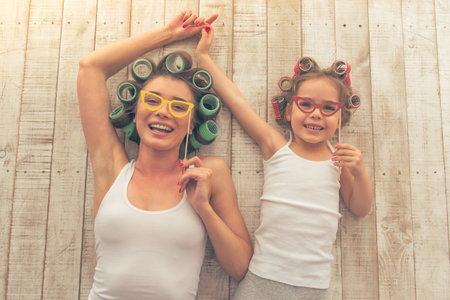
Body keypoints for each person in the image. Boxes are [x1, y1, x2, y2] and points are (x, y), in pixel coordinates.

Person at [77, 10, 252, 300]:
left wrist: (204, 209)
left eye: (179, 106)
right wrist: (168, 35)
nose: (163, 111)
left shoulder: (210, 173)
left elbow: (239, 267)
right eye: (153, 100)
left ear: (192, 123)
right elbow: (90, 68)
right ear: (135, 112)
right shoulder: (111, 167)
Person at [195, 26, 373, 299]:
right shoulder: (276, 145)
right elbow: (236, 100)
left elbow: (360, 208)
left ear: (340, 118)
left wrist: (359, 172)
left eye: (328, 108)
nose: (316, 114)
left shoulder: (339, 159)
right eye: (306, 105)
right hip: (264, 275)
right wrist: (204, 58)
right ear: (289, 110)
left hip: (313, 284)